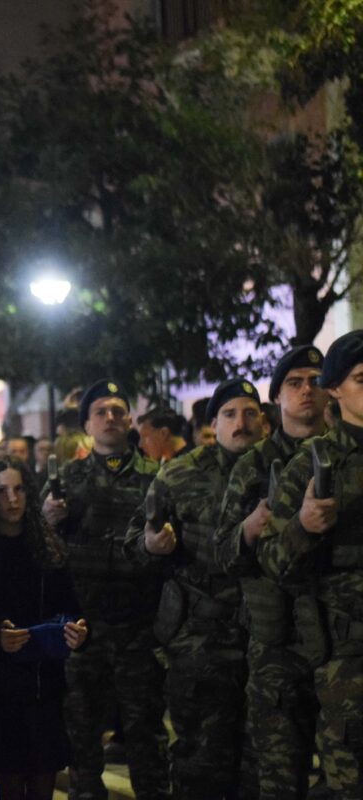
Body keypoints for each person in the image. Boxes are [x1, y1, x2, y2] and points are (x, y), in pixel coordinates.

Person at [127, 378, 265, 799]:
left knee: (261, 766)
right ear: (214, 424)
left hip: (268, 638)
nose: (240, 423)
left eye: (250, 413)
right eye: (229, 415)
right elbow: (135, 540)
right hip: (201, 645)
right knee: (200, 764)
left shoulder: (281, 468)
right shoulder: (180, 474)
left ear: (263, 421)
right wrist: (152, 545)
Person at [40, 380, 169, 800]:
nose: (110, 418)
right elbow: (43, 551)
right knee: (82, 737)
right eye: (101, 412)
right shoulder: (67, 480)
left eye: (118, 410)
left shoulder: (159, 477)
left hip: (140, 625)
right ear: (87, 425)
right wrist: (47, 519)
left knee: (146, 735)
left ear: (130, 420)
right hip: (85, 628)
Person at [214, 346, 327, 798]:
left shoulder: (345, 452)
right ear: (277, 397)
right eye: (295, 383)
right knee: (280, 779)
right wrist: (248, 529)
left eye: (315, 381)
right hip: (278, 645)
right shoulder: (254, 466)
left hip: (343, 641)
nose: (306, 391)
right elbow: (221, 553)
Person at [256, 330, 363, 796]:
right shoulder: (313, 464)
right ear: (334, 389)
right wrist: (304, 525)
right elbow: (274, 564)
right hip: (349, 665)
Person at [0, 457, 86, 799]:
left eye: (19, 489)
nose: (12, 499)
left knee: (43, 781)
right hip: (0, 690)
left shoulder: (48, 548)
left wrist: (78, 631)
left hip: (45, 684)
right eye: (1, 491)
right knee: (10, 784)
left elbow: (72, 607)